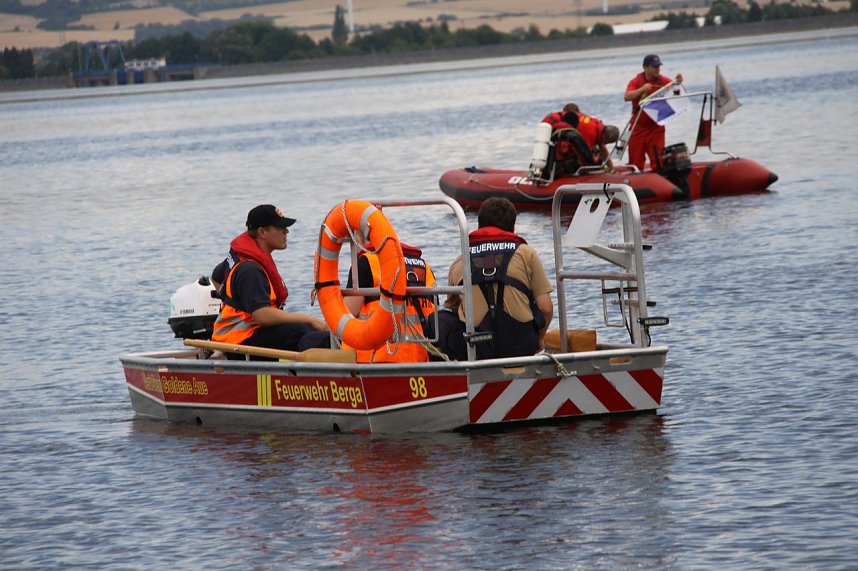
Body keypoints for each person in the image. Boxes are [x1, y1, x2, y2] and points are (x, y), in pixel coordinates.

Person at [211, 204, 329, 359]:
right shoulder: (250, 270)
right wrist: (311, 319)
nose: (286, 232)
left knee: (301, 329)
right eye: (280, 228)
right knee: (304, 331)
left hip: (243, 336)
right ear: (262, 232)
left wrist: (236, 301)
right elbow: (262, 315)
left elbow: (216, 277)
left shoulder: (240, 257)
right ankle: (312, 378)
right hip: (240, 342)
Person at [441, 197, 553, 360]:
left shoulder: (461, 260)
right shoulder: (526, 253)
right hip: (522, 345)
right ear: (512, 228)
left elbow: (454, 309)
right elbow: (546, 308)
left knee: (440, 318)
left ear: (479, 226)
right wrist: (539, 339)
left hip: (477, 348)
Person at [343, 242, 437, 363]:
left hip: (372, 364)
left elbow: (344, 319)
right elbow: (435, 317)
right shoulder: (424, 267)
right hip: (417, 362)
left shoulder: (366, 263)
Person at [624, 54, 684, 171]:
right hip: (638, 128)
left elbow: (677, 93)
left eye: (659, 66)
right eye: (654, 66)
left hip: (656, 127)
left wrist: (678, 83)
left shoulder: (663, 80)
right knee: (635, 162)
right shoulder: (636, 81)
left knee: (658, 161)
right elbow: (627, 96)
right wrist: (642, 89)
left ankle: (661, 179)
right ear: (645, 67)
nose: (658, 69)